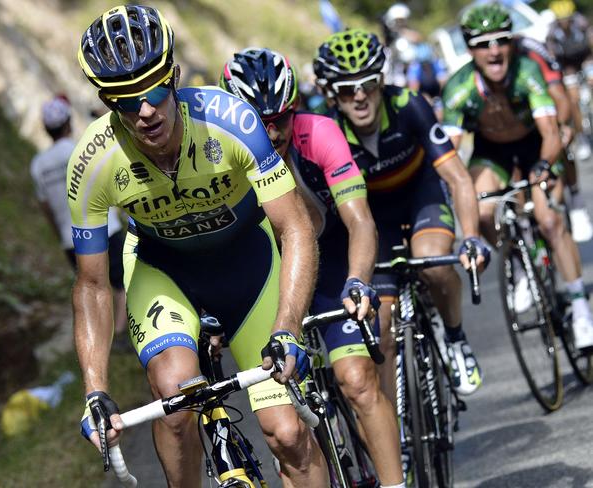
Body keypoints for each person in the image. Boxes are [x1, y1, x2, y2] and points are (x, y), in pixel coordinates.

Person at [71, 5, 328, 487]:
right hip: (165, 272)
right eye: (126, 101)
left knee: (288, 434)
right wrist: (95, 388)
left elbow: (294, 227)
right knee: (175, 402)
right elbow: (91, 285)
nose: (145, 111)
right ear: (107, 103)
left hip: (248, 267)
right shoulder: (92, 163)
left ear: (174, 77)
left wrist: (289, 326)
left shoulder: (231, 121)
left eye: (153, 91)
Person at [220, 47, 404, 488]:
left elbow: (359, 220)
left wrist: (358, 280)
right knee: (288, 429)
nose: (272, 130)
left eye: (281, 117)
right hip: (268, 280)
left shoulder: (318, 133)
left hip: (334, 261)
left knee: (358, 380)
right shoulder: (219, 153)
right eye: (259, 120)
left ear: (296, 108)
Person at [313, 28, 489, 402]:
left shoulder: (411, 105)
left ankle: (455, 337)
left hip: (420, 195)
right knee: (381, 327)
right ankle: (400, 433)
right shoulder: (328, 132)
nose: (359, 96)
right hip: (373, 220)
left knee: (434, 265)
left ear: (381, 82)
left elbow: (458, 177)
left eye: (367, 85)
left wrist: (471, 236)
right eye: (346, 89)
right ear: (332, 94)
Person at [441, 2, 593, 351]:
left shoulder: (528, 71)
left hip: (534, 145)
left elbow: (552, 132)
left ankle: (580, 307)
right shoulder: (458, 88)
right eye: (482, 43)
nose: (493, 50)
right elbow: (449, 152)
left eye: (501, 40)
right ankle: (521, 268)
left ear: (512, 43)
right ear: (469, 49)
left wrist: (543, 165)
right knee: (480, 211)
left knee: (549, 220)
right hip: (491, 152)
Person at [30, 96, 128, 339]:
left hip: (70, 238)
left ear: (46, 129)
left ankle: (101, 338)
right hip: (105, 228)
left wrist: (60, 234)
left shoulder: (38, 165)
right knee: (123, 282)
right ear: (68, 123)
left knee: (92, 289)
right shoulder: (81, 149)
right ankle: (120, 335)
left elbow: (46, 208)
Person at [514, 34, 593, 244]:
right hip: (519, 113)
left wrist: (564, 124)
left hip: (547, 96)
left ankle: (575, 198)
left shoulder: (533, 54)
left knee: (561, 137)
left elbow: (559, 95)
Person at [546, 0, 593, 161]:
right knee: (573, 100)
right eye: (562, 19)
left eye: (567, 18)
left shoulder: (581, 23)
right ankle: (582, 138)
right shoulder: (553, 32)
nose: (565, 22)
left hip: (586, 59)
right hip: (567, 66)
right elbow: (551, 54)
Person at [406, 42, 449, 119]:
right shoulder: (415, 67)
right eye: (424, 64)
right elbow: (413, 89)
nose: (426, 66)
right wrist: (424, 98)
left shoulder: (436, 63)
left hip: (437, 94)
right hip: (424, 95)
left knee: (441, 112)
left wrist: (442, 98)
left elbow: (444, 83)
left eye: (427, 63)